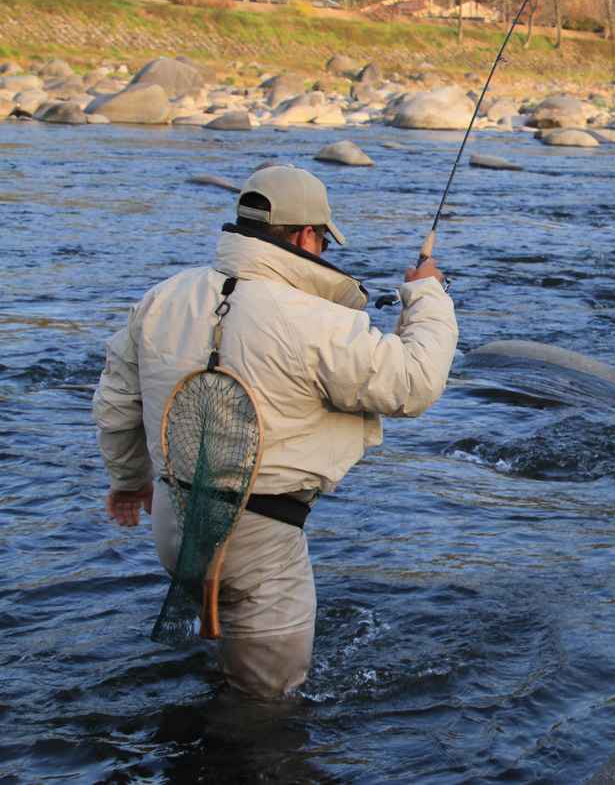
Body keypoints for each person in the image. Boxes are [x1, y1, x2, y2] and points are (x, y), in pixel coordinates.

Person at [93, 166, 458, 699]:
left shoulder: (161, 297)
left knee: (224, 682)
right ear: (306, 236)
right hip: (260, 538)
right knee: (266, 716)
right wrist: (427, 296)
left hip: (173, 525)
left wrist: (128, 482)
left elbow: (116, 403)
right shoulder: (317, 321)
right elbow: (415, 383)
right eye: (323, 240)